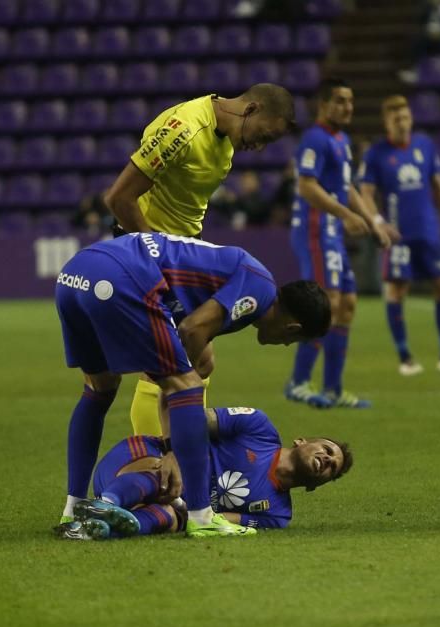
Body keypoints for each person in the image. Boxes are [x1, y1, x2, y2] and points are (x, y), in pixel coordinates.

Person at [55, 232, 331, 538]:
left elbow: (189, 323)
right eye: (294, 341)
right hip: (122, 277)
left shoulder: (239, 276)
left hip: (76, 273)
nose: (285, 345)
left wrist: (184, 369)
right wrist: (175, 446)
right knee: (188, 387)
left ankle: (73, 510)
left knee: (99, 389)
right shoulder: (259, 287)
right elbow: (191, 329)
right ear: (293, 328)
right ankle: (202, 516)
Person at [103, 84, 298, 439]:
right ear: (251, 109)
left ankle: (177, 451)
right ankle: (156, 462)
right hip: (147, 252)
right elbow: (119, 198)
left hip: (177, 254)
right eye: (264, 135)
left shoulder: (225, 140)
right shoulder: (184, 129)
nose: (260, 146)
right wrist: (153, 256)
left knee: (198, 359)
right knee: (167, 365)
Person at [55, 406, 353, 540]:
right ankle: (105, 503)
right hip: (140, 460)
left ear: (319, 485)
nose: (326, 459)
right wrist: (174, 452)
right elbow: (190, 418)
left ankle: (96, 529)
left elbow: (215, 520)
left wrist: (185, 511)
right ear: (302, 440)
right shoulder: (258, 427)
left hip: (167, 504)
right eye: (326, 449)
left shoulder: (278, 515)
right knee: (172, 476)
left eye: (332, 467)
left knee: (177, 519)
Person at [284, 78, 392, 409]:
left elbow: (347, 187)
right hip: (315, 230)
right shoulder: (315, 139)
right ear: (324, 105)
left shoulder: (342, 140)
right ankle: (298, 383)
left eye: (350, 101)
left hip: (331, 230)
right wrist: (345, 214)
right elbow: (306, 187)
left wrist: (374, 222)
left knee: (346, 306)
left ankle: (333, 388)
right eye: (341, 101)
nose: (348, 107)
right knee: (325, 303)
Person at [359, 95, 440, 376]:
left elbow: (439, 186)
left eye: (406, 117)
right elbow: (365, 192)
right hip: (398, 235)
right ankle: (405, 358)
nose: (402, 123)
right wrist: (377, 221)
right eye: (396, 118)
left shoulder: (424, 146)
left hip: (428, 231)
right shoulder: (376, 154)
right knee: (397, 291)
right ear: (387, 122)